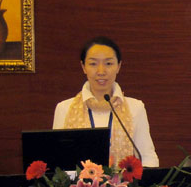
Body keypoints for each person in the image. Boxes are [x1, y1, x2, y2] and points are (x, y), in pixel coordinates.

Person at [53, 36, 159, 167]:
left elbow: (147, 157)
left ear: (118, 66)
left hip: (124, 180)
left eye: (108, 64)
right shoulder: (64, 108)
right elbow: (57, 158)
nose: (101, 71)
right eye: (93, 64)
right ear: (83, 67)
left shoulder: (135, 108)